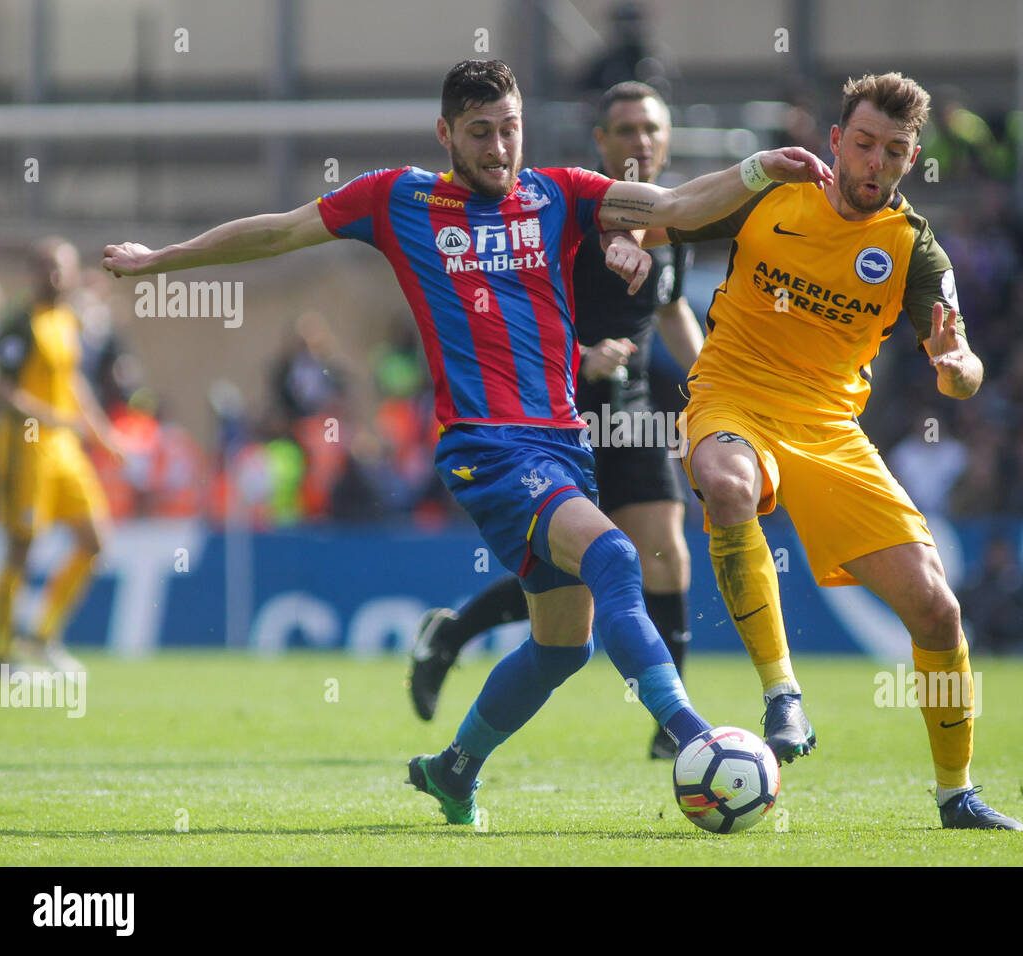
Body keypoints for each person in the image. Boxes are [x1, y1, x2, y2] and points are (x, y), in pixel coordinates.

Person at [101, 59, 832, 825]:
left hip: (560, 446)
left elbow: (678, 205)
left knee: (563, 645)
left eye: (509, 129)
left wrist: (757, 169)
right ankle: (695, 742)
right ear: (445, 133)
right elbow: (280, 231)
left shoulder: (560, 193)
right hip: (486, 447)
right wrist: (162, 259)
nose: (498, 148)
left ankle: (455, 769)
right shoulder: (399, 198)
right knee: (618, 556)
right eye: (480, 133)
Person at [654, 72, 1023, 829]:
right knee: (726, 486)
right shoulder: (772, 194)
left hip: (828, 427)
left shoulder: (914, 250)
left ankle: (957, 793)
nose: (874, 163)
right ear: (835, 141)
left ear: (912, 158)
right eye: (862, 144)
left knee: (937, 610)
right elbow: (663, 220)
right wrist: (634, 254)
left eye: (893, 151)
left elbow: (966, 368)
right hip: (732, 394)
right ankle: (781, 693)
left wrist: (958, 370)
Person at [407, 81, 703, 761]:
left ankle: (670, 727)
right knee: (587, 566)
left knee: (658, 546)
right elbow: (508, 309)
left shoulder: (665, 223)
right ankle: (456, 634)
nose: (640, 142)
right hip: (546, 404)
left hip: (628, 409)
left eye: (651, 129)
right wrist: (580, 354)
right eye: (624, 130)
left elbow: (669, 309)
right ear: (601, 142)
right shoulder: (563, 212)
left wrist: (718, 384)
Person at [0, 238, 120, 674]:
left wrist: (103, 437)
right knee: (20, 549)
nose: (55, 276)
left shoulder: (66, 319)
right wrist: (53, 418)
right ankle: (3, 656)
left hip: (65, 451)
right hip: (24, 448)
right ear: (32, 273)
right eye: (46, 268)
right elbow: (1, 392)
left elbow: (74, 383)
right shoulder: (18, 323)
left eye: (61, 268)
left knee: (95, 542)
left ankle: (41, 635)